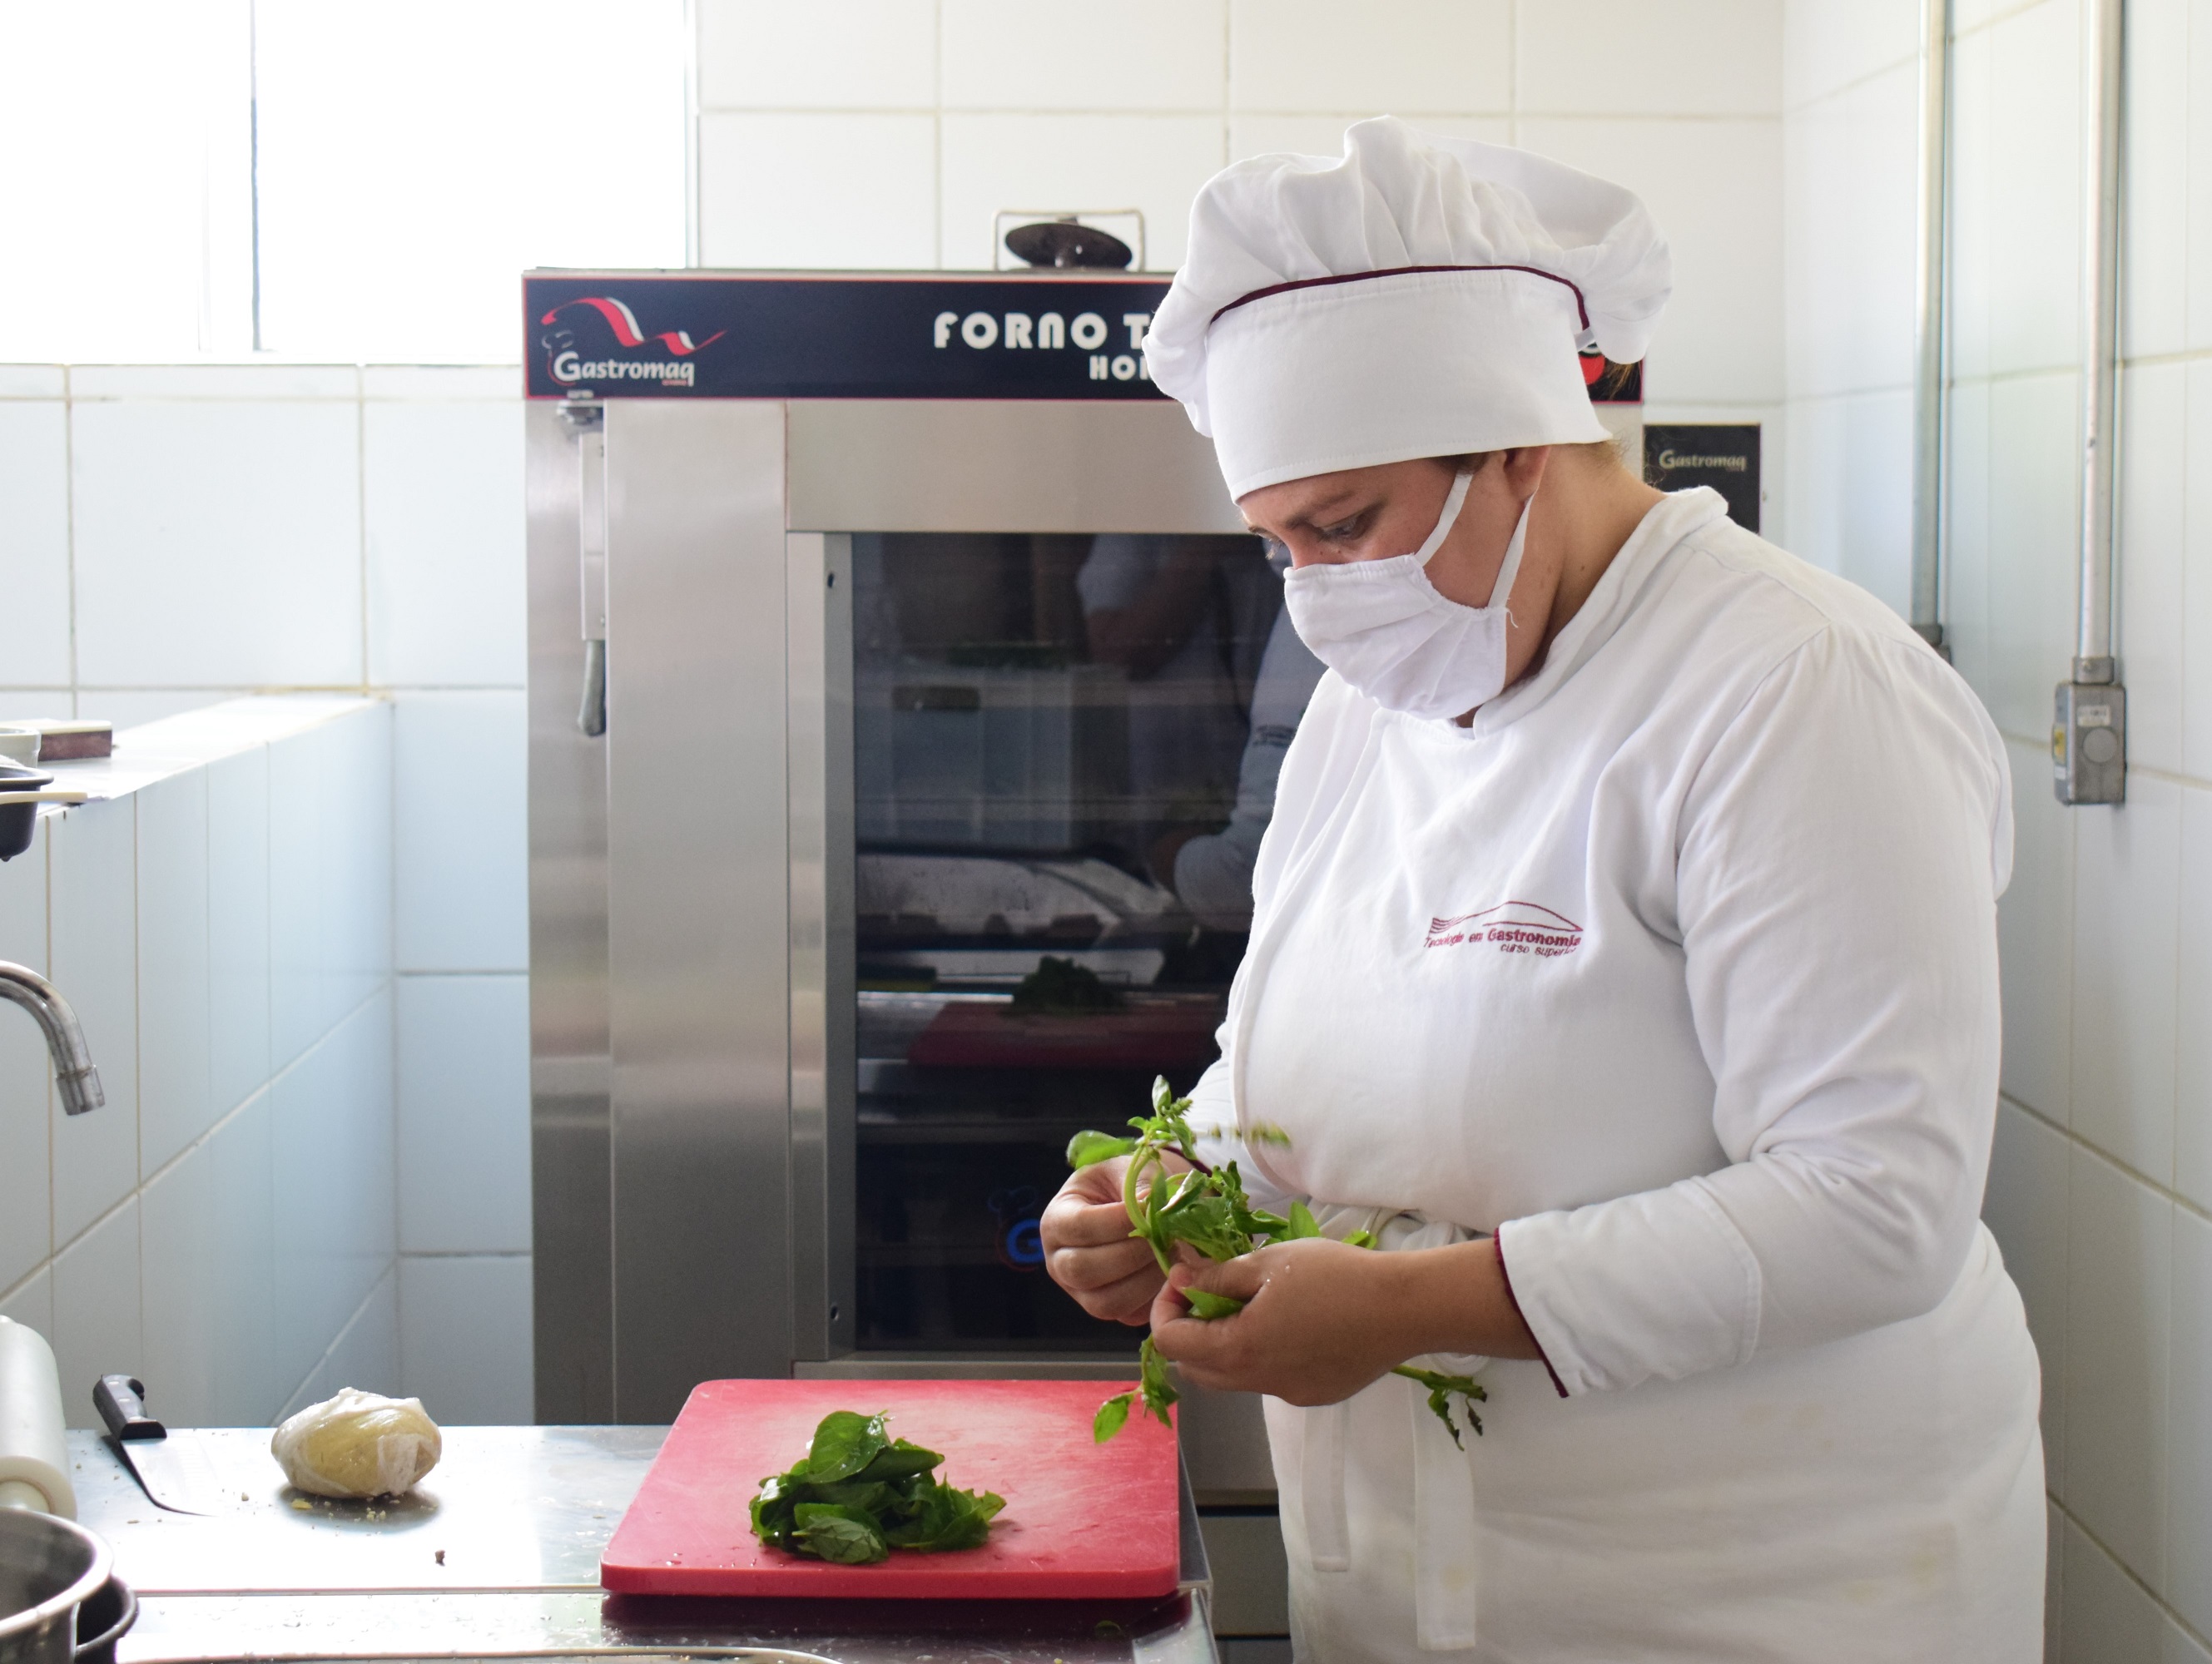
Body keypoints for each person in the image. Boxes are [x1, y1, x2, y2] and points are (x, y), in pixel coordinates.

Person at [1039, 117, 2041, 1661]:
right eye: (1279, 546)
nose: (1320, 596)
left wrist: (1397, 1309)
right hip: (1402, 1583)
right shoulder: (1371, 705)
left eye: (1346, 525)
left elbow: (1874, 1205)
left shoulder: (1793, 687)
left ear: (1519, 443)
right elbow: (1303, 1056)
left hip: (1744, 1596)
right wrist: (1177, 1185)